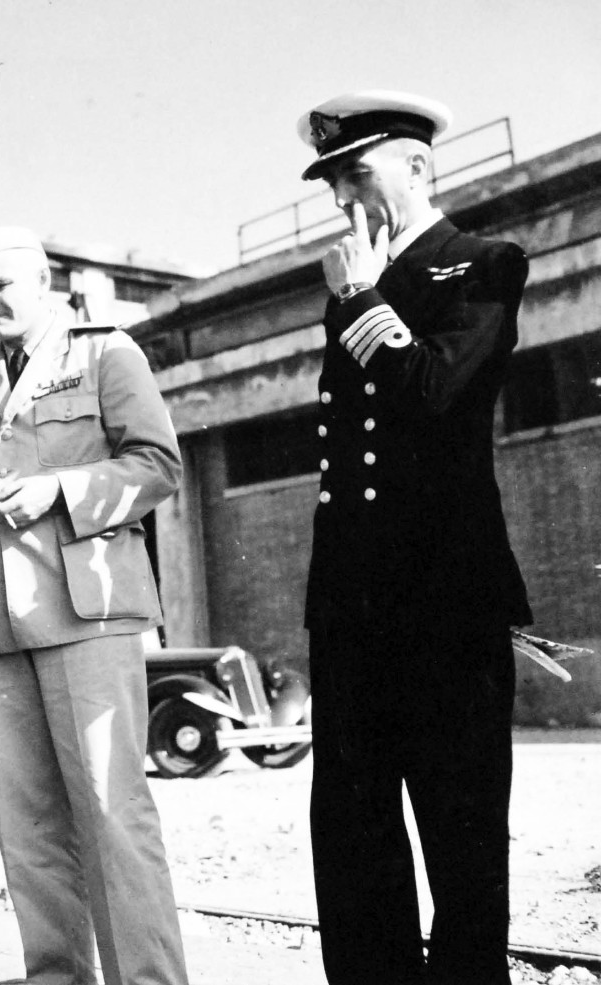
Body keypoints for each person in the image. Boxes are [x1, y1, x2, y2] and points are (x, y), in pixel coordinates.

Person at [298, 91, 533, 985]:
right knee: (354, 840)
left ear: (419, 167)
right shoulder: (353, 285)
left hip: (447, 602)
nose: (344, 199)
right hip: (353, 604)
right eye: (332, 183)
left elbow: (434, 395)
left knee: (461, 834)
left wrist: (359, 294)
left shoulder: (482, 265)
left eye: (357, 173)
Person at [0, 227, 189, 985]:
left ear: (44, 281)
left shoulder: (106, 352)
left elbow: (157, 464)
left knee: (113, 812)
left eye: (3, 286)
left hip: (89, 612)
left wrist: (60, 490)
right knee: (28, 828)